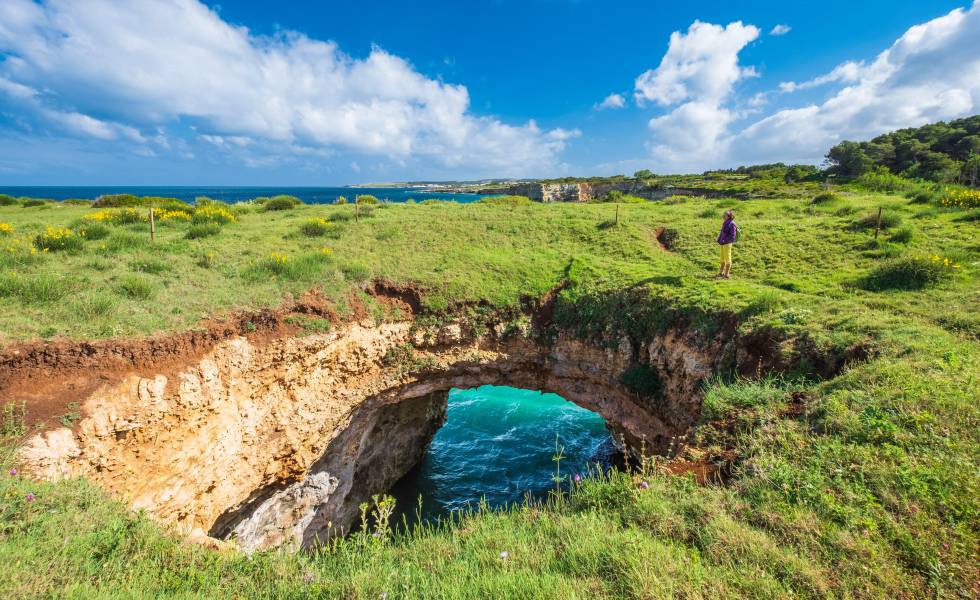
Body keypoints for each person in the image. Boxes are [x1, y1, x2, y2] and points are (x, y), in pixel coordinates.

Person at [716, 210, 737, 279]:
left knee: (728, 258)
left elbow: (733, 235)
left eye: (724, 215)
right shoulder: (725, 222)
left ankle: (727, 274)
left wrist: (726, 240)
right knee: (722, 258)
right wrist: (719, 239)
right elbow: (722, 232)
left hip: (727, 243)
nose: (723, 216)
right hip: (722, 243)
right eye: (723, 215)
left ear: (728, 216)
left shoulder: (732, 223)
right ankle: (721, 273)